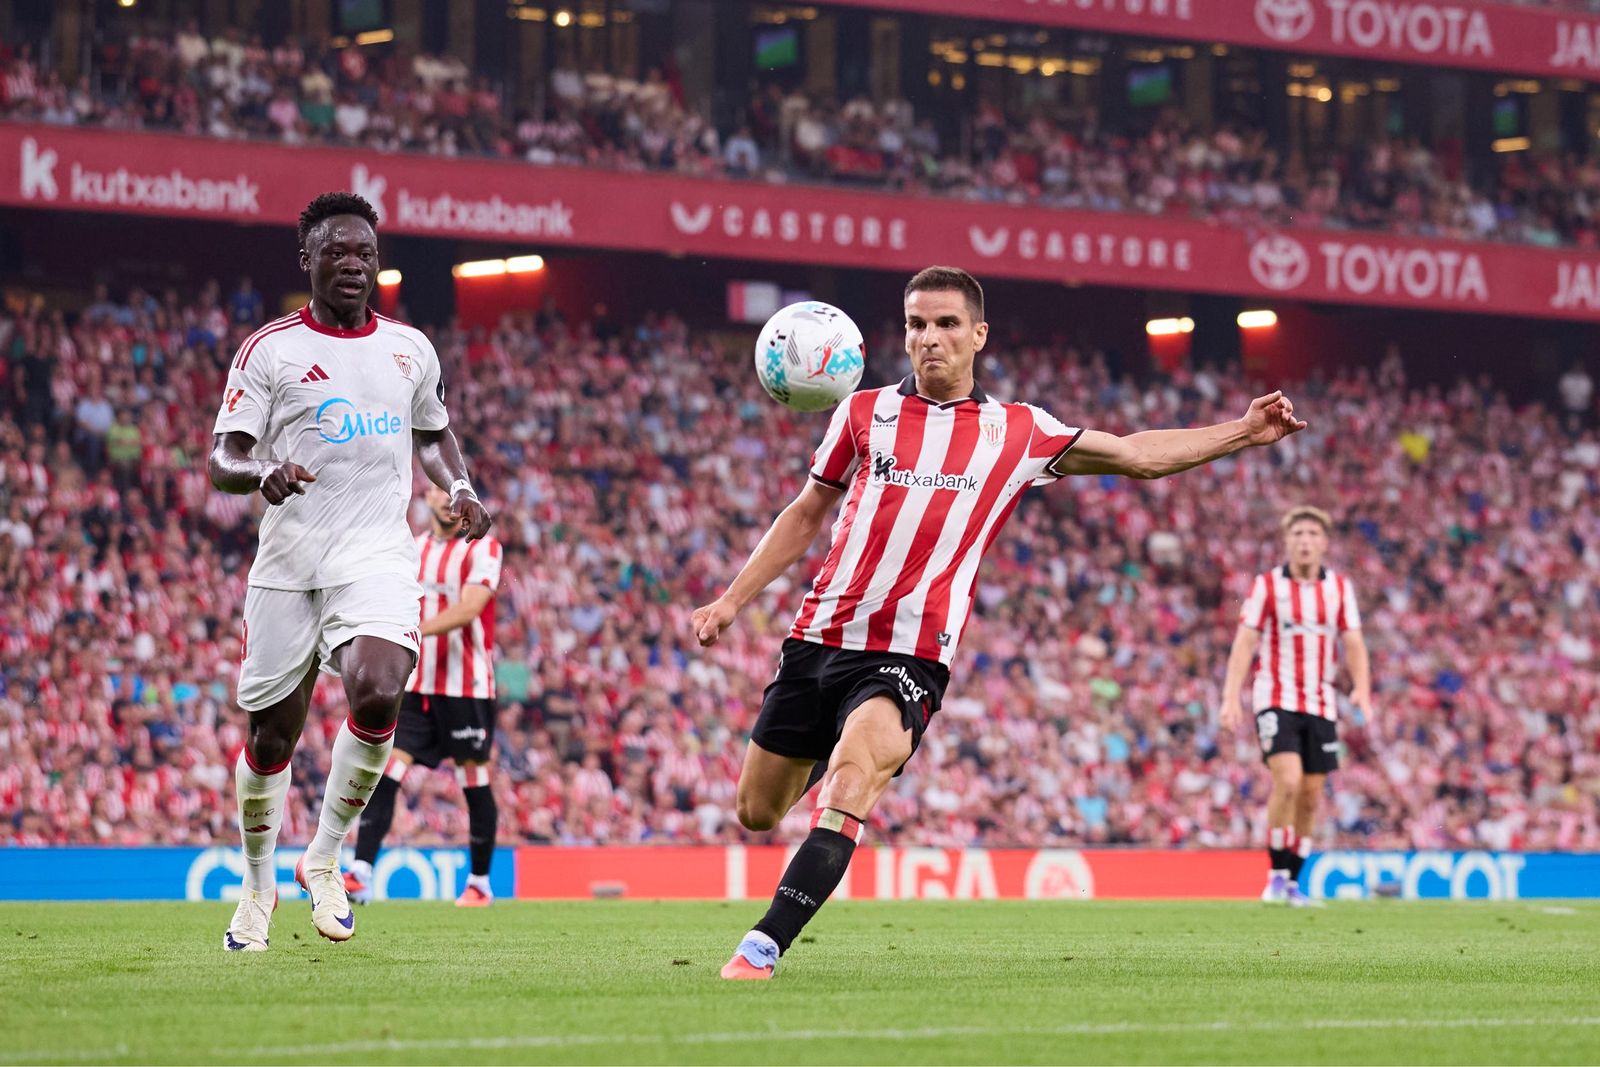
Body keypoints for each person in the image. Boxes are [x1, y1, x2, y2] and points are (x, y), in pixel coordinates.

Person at [692, 265, 1307, 979]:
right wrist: (732, 599)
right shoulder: (861, 413)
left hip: (910, 655)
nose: (930, 338)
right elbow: (805, 514)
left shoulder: (1017, 430)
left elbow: (1136, 455)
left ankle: (762, 946)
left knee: (850, 781)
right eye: (917, 324)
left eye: (947, 324)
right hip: (819, 639)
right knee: (758, 810)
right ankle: (830, 755)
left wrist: (1242, 431)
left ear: (978, 334)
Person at [210, 191, 492, 951]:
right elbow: (223, 457)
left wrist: (460, 487)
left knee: (379, 686)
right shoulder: (269, 350)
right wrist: (262, 470)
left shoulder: (409, 349)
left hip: (376, 554)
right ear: (306, 258)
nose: (352, 264)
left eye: (364, 253)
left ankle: (326, 856)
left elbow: (433, 434)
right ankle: (258, 884)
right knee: (272, 737)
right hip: (290, 563)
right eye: (335, 251)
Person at [346, 482, 505, 907]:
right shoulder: (412, 549)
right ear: (429, 498)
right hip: (418, 686)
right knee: (387, 769)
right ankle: (360, 872)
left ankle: (479, 883)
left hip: (466, 687)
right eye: (439, 491)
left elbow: (469, 608)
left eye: (455, 493)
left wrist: (413, 630)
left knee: (473, 778)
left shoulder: (483, 548)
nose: (448, 501)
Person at [1219, 505, 1372, 906]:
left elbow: (1353, 642)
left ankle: (1291, 882)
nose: (1305, 540)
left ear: (1324, 543)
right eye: (1298, 534)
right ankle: (1274, 878)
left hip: (1321, 701)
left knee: (1310, 795)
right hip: (1275, 696)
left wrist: (1362, 688)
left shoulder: (1339, 588)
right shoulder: (1267, 586)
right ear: (1287, 542)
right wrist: (1231, 696)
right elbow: (1245, 642)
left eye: (1312, 534)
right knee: (1287, 781)